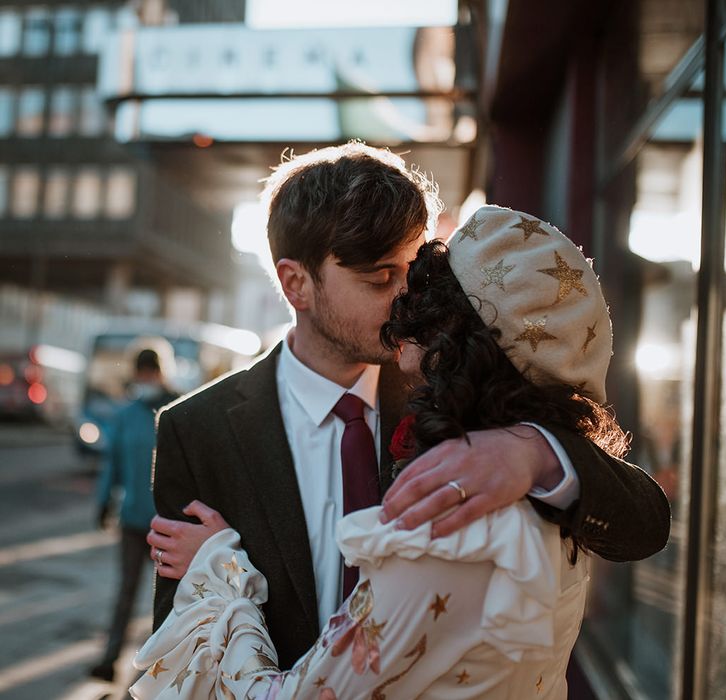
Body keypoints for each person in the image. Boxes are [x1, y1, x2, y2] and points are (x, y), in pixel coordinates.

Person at [145, 143, 670, 674]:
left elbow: (643, 521)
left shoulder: (456, 387)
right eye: (379, 278)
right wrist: (223, 575)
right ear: (295, 283)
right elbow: (178, 649)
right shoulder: (196, 429)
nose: (406, 299)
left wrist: (537, 452)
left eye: (412, 270)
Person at [90, 348, 179, 683]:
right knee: (125, 592)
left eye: (151, 373)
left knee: (167, 600)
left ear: (160, 373)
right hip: (132, 520)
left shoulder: (176, 410)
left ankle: (157, 673)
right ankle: (110, 659)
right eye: (141, 373)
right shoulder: (125, 415)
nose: (146, 379)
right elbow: (112, 463)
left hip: (168, 524)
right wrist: (103, 502)